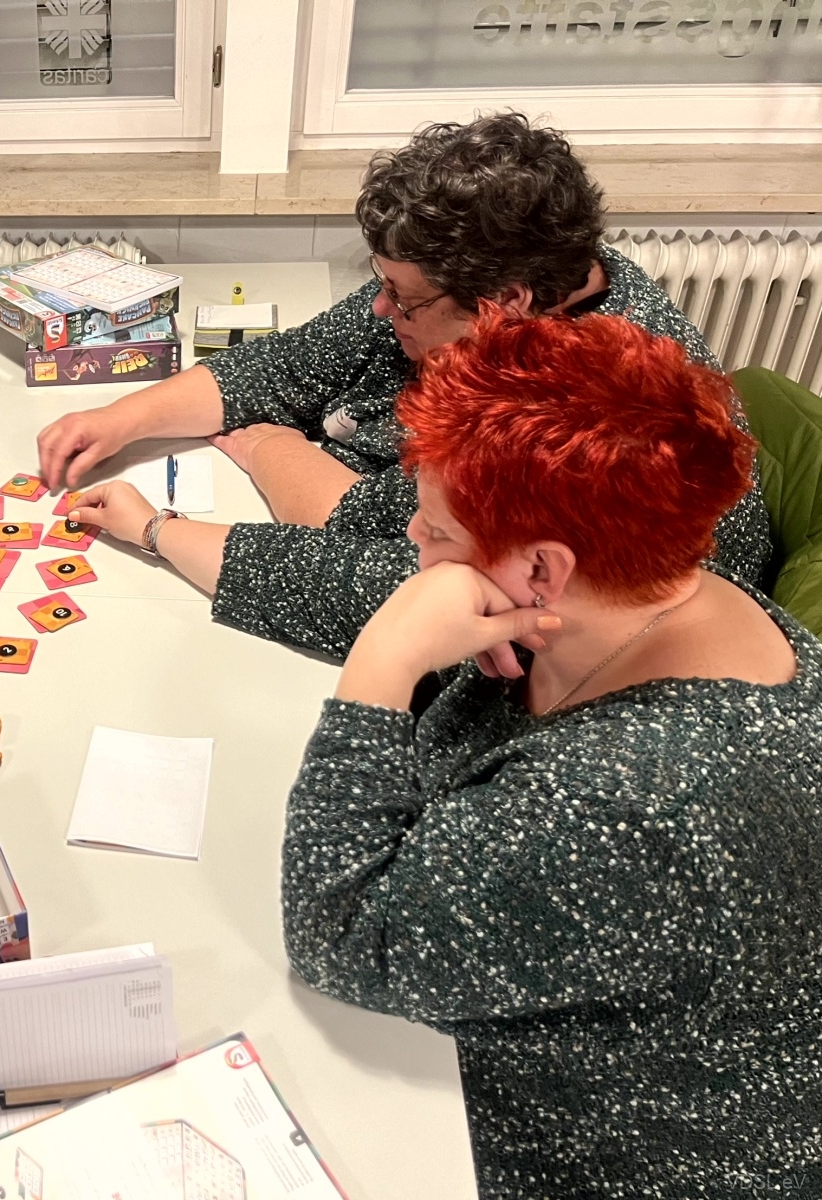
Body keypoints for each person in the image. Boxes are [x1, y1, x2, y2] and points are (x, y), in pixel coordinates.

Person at [280, 312, 820, 1197]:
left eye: (436, 532)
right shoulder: (664, 594)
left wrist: (382, 661)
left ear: (541, 571)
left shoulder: (628, 799)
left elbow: (340, 938)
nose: (413, 539)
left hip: (602, 1154)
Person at [45, 113, 772, 658]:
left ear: (505, 305)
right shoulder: (507, 274)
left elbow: (374, 560)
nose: (379, 310)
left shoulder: (576, 414)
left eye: (403, 297)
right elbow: (297, 361)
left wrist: (201, 498)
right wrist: (118, 419)